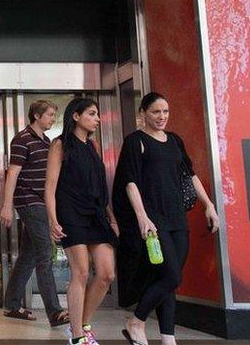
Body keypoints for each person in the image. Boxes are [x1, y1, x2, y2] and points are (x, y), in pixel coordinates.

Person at [113, 93, 220, 345]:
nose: (162, 117)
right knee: (171, 275)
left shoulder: (174, 141)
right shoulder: (135, 142)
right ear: (143, 113)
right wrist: (142, 217)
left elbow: (190, 176)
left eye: (166, 112)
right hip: (154, 219)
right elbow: (130, 183)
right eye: (156, 112)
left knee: (168, 280)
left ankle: (168, 337)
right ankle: (136, 321)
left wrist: (209, 205)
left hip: (177, 218)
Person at [45, 97, 119, 345]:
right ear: (75, 116)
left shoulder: (92, 147)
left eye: (98, 114)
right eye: (92, 114)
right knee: (81, 272)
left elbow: (100, 186)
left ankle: (82, 323)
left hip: (96, 214)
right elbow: (50, 186)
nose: (97, 119)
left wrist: (111, 217)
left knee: (107, 273)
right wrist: (53, 219)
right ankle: (77, 336)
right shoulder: (60, 144)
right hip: (71, 213)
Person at [1, 99, 69, 328]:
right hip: (30, 203)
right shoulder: (22, 140)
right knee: (45, 255)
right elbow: (13, 174)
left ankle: (12, 304)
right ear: (37, 116)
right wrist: (6, 206)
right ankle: (55, 311)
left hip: (42, 202)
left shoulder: (47, 141)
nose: (52, 119)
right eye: (50, 115)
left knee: (29, 256)